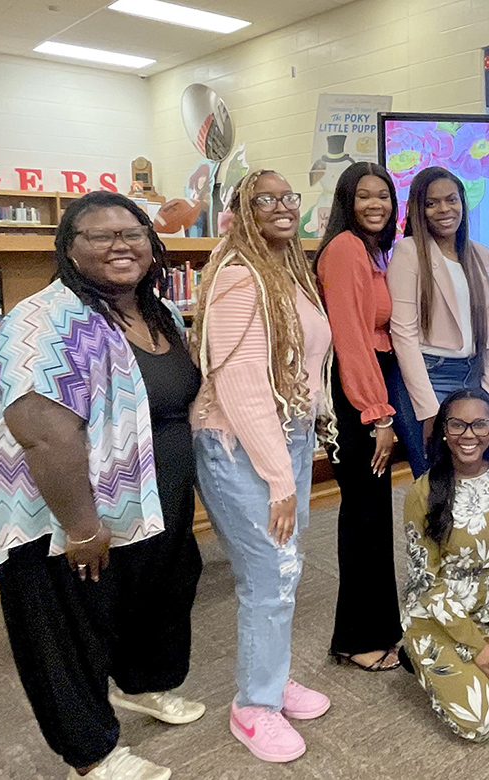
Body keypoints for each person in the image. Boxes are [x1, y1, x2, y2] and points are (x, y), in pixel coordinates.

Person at [0, 192, 204, 780]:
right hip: (57, 511)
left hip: (146, 498)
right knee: (65, 628)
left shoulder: (158, 314)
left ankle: (143, 686)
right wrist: (82, 525)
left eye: (133, 233)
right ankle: (93, 752)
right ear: (69, 249)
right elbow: (45, 435)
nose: (121, 245)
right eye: (100, 235)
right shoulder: (46, 320)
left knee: (158, 595)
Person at [192, 170, 333, 763]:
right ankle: (253, 706)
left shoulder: (288, 269)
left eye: (287, 197)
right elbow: (244, 385)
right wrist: (279, 478)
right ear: (239, 211)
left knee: (285, 570)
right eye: (263, 199)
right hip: (241, 445)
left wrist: (315, 428)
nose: (279, 206)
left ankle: (270, 677)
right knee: (270, 575)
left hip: (288, 434)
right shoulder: (235, 278)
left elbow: (309, 358)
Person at [316, 162, 416, 672]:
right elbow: (351, 339)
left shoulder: (374, 250)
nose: (375, 204)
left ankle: (376, 629)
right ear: (346, 202)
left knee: (373, 517)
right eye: (364, 196)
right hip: (358, 398)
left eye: (383, 195)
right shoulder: (346, 250)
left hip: (372, 390)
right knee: (363, 519)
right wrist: (377, 416)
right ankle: (357, 640)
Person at [400, 388, 489, 742]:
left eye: (479, 424)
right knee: (481, 724)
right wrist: (480, 648)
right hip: (438, 619)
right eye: (457, 424)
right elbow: (427, 583)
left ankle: (459, 673)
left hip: (488, 611)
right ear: (444, 430)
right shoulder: (423, 491)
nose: (468, 434)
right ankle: (419, 657)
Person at [388, 167, 489, 440]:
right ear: (418, 208)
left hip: (472, 377)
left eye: (451, 199)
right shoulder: (409, 252)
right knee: (433, 474)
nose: (444, 209)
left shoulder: (480, 254)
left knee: (469, 470)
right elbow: (403, 334)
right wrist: (428, 409)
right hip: (430, 375)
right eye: (431, 203)